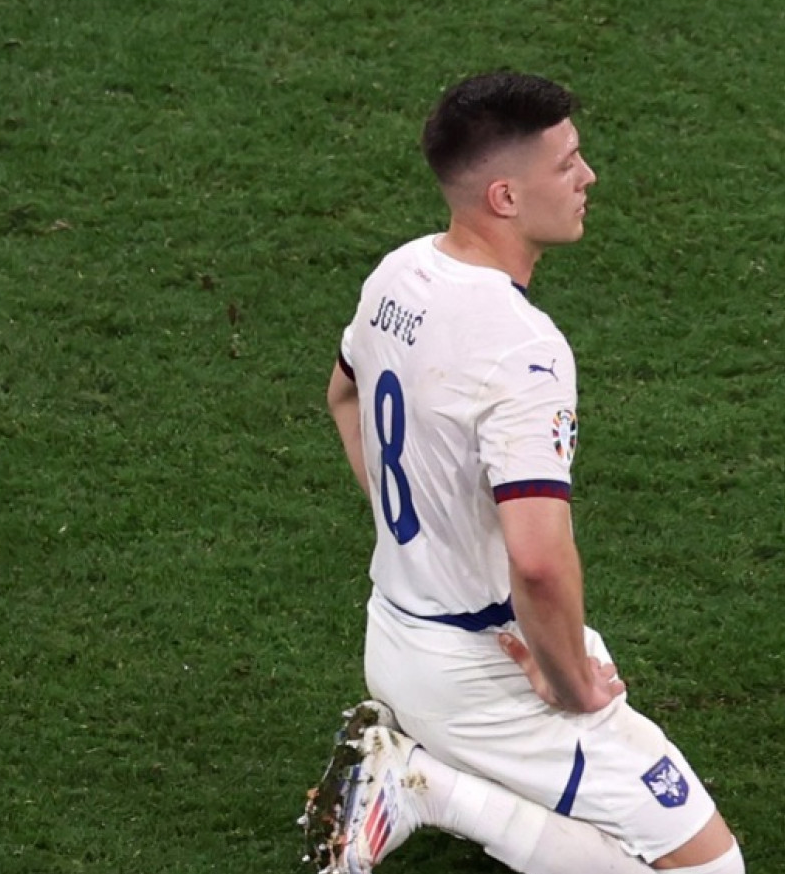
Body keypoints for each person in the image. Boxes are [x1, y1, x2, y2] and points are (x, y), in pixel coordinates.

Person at [305, 71, 745, 874]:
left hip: (396, 635)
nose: (588, 177)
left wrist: (424, 530)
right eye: (567, 163)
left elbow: (342, 394)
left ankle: (430, 767)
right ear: (505, 196)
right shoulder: (521, 347)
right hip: (485, 670)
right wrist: (570, 682)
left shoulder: (397, 273)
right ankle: (421, 784)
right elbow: (537, 561)